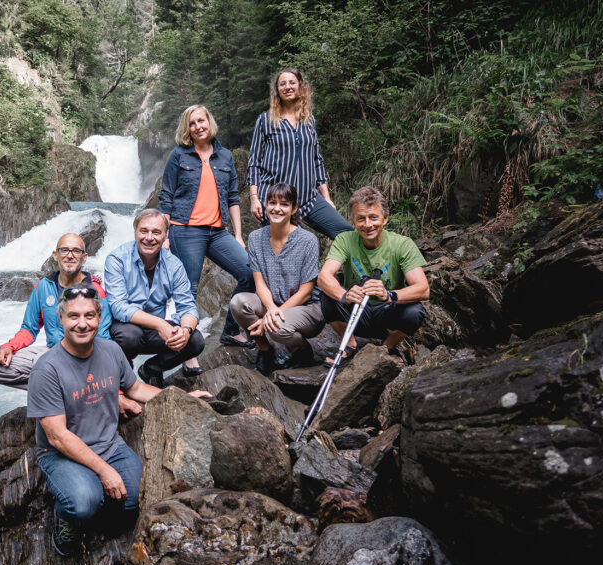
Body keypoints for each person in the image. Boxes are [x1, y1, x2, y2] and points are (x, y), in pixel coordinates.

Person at [28, 285, 210, 556]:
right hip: (61, 454)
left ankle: (97, 515)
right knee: (83, 503)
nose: (82, 323)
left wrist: (182, 397)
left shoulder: (111, 351)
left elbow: (136, 389)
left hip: (109, 445)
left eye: (89, 316)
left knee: (136, 501)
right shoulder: (47, 369)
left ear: (99, 319)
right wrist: (104, 471)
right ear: (61, 319)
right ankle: (65, 521)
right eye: (74, 316)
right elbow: (58, 437)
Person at [159, 105, 256, 376]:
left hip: (217, 231)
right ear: (187, 129)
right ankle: (189, 354)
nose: (198, 126)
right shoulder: (179, 155)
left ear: (209, 122)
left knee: (249, 272)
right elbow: (166, 196)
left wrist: (237, 235)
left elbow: (234, 197)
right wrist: (164, 234)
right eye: (192, 123)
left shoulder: (224, 156)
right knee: (187, 290)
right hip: (185, 229)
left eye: (201, 120)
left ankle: (230, 331)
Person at [316, 186, 429, 364]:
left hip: (387, 314)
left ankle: (387, 348)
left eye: (373, 217)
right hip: (355, 312)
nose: (368, 224)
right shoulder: (344, 240)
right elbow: (324, 277)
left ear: (385, 219)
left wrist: (389, 295)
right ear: (353, 221)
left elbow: (423, 289)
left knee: (414, 312)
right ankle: (350, 345)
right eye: (361, 219)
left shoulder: (402, 244)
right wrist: (344, 295)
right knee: (327, 297)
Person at [0, 233, 113, 390]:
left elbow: (103, 339)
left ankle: (60, 392)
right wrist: (8, 348)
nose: (70, 256)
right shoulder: (43, 287)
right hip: (53, 350)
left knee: (42, 363)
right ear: (55, 255)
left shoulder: (96, 291)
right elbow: (28, 329)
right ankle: (63, 390)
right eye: (64, 250)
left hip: (84, 356)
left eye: (76, 251)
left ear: (84, 257)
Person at [103, 208, 206, 388]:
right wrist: (160, 324)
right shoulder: (117, 259)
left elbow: (188, 306)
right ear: (135, 232)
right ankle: (125, 377)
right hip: (124, 328)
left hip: (155, 333)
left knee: (195, 340)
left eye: (156, 232)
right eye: (144, 231)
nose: (149, 237)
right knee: (129, 336)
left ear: (166, 235)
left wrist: (185, 331)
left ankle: (152, 369)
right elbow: (118, 307)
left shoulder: (173, 264)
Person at [247, 67, 354, 239]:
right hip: (277, 202)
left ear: (300, 87)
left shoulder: (308, 120)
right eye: (282, 84)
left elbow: (316, 159)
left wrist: (326, 197)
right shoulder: (266, 121)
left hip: (309, 198)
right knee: (283, 253)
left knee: (347, 235)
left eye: (292, 82)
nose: (287, 87)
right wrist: (254, 198)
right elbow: (254, 162)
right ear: (277, 90)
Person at [229, 182, 324, 374]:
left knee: (276, 327)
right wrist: (271, 309)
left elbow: (306, 292)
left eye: (284, 204)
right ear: (265, 205)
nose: (277, 209)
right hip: (273, 302)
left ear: (294, 208)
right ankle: (265, 350)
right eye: (272, 203)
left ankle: (303, 351)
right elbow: (259, 282)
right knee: (238, 303)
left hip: (307, 309)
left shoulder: (308, 241)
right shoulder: (256, 238)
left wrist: (270, 318)